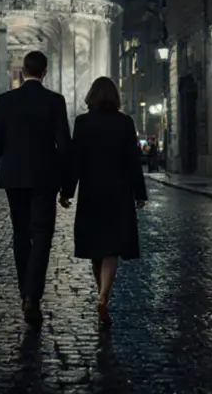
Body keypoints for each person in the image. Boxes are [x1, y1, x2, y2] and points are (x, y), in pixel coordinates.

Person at [0, 50, 72, 326]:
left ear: (22, 72)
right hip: (45, 179)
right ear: (45, 72)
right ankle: (32, 297)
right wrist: (67, 185)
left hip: (14, 179)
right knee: (42, 236)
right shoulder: (55, 101)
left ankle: (25, 291)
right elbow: (65, 146)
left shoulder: (5, 101)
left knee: (20, 234)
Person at [59, 77, 147, 328]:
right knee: (112, 247)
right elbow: (133, 161)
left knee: (95, 246)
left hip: (92, 191)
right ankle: (103, 296)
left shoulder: (83, 123)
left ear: (91, 96)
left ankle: (102, 294)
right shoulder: (125, 123)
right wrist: (139, 193)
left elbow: (75, 160)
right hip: (118, 192)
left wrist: (67, 191)